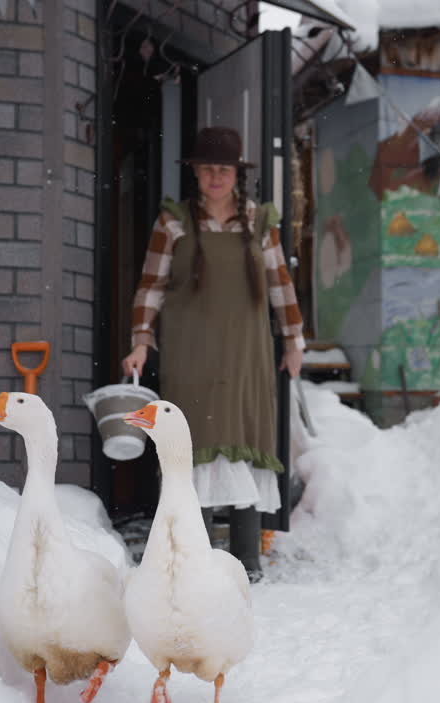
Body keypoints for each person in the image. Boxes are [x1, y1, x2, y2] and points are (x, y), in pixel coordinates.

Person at [122, 126, 304, 580]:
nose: (215, 177)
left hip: (247, 354)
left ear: (236, 174)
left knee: (246, 445)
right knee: (192, 446)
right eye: (207, 169)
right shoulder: (173, 222)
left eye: (223, 169)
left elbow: (281, 283)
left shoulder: (259, 221)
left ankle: (247, 562)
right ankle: (195, 561)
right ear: (197, 174)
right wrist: (141, 341)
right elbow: (151, 287)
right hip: (190, 355)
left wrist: (293, 339)